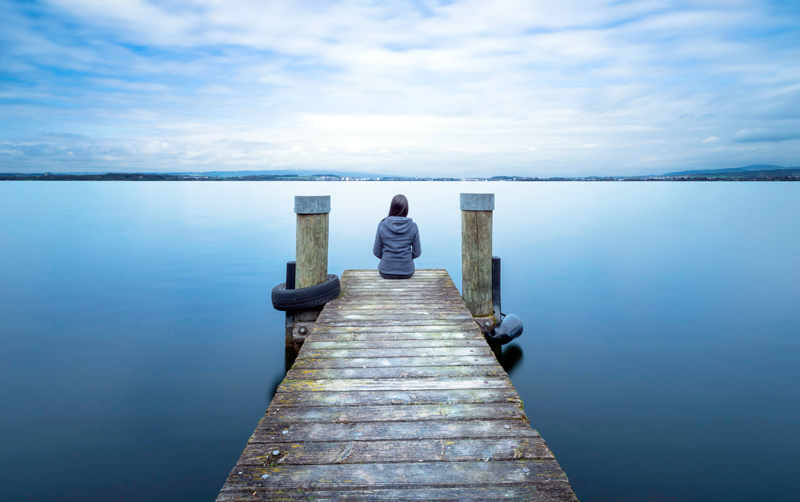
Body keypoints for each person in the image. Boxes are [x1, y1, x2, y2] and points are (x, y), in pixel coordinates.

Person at [373, 194, 421, 279]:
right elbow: (417, 253)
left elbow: (376, 252)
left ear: (391, 208)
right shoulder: (413, 226)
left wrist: (386, 259)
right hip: (407, 272)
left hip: (385, 271)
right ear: (406, 209)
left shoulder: (382, 225)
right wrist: (407, 258)